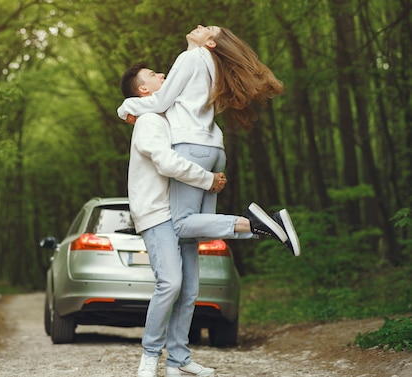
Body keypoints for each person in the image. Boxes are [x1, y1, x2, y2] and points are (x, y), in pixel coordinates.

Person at [123, 64, 300, 377]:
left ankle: (178, 360)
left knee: (189, 291)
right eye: (154, 75)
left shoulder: (166, 112)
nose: (163, 75)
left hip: (177, 209)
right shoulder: (150, 121)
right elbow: (165, 161)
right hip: (156, 213)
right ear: (144, 89)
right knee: (171, 283)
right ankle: (150, 356)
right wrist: (206, 178)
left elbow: (149, 104)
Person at [118, 26, 300, 257]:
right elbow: (185, 89)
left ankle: (256, 223)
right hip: (214, 150)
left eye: (208, 29)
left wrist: (126, 107)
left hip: (191, 147)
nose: (200, 27)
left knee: (182, 224)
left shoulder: (189, 59)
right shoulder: (212, 64)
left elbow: (161, 101)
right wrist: (193, 46)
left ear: (211, 43)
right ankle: (267, 226)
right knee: (200, 229)